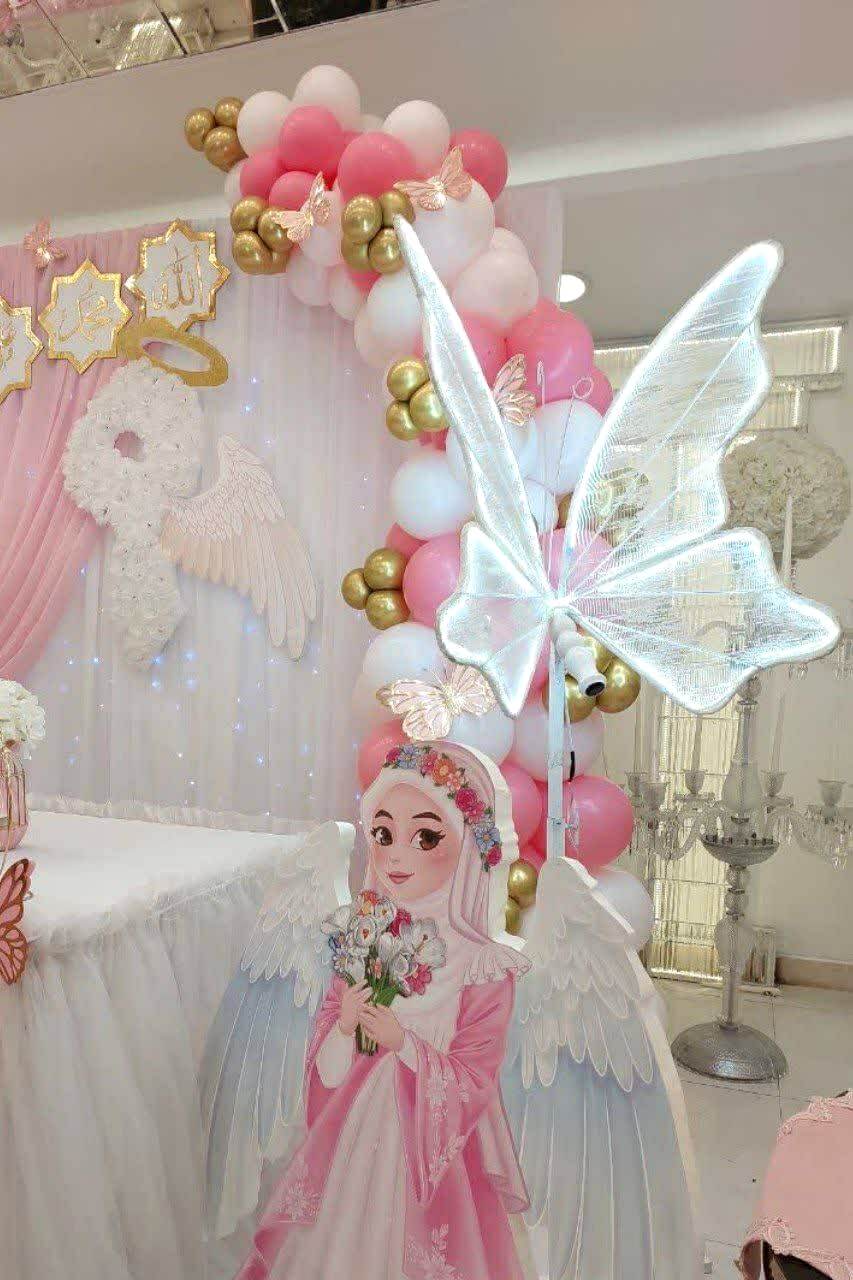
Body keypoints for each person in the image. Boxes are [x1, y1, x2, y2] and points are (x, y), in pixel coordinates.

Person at [235, 741, 532, 1280]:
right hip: (352, 1136)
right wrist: (345, 1026)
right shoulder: (365, 939)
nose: (395, 857)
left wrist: (405, 1044)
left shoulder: (482, 967)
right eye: (382, 833)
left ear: (467, 845)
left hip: (433, 1160)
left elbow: (476, 1083)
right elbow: (324, 1078)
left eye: (425, 837)